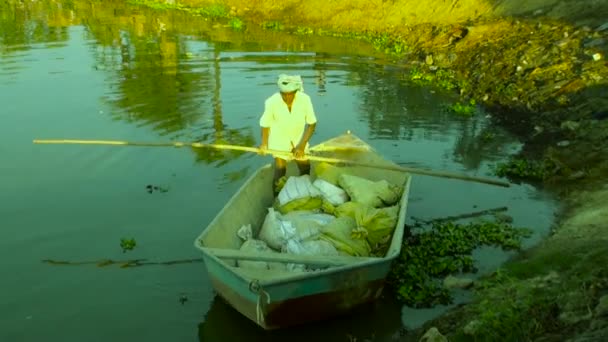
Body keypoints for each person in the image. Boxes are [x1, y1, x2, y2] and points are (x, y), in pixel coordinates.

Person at [258, 74, 317, 195]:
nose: (287, 97)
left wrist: (301, 146)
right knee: (280, 169)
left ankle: (303, 192)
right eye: (284, 94)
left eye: (290, 94)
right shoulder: (271, 102)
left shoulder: (305, 99)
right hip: (278, 139)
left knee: (305, 166)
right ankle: (277, 198)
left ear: (296, 91)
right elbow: (265, 125)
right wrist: (264, 144)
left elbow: (311, 124)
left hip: (299, 138)